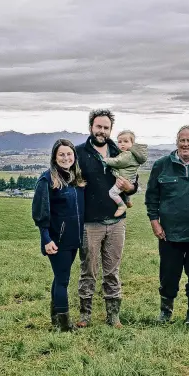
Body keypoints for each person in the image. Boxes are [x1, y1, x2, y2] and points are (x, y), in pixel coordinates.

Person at [145, 124, 189, 325]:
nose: (185, 144)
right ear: (176, 142)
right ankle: (165, 311)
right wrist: (154, 222)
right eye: (182, 140)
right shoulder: (161, 165)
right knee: (168, 276)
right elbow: (152, 197)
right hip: (169, 234)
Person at [75, 109, 138, 328]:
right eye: (98, 127)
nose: (102, 131)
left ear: (111, 130)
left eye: (106, 128)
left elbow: (133, 183)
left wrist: (129, 187)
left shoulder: (119, 150)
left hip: (116, 222)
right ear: (90, 127)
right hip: (89, 222)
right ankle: (85, 315)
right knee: (88, 270)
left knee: (112, 270)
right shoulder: (79, 153)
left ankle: (113, 316)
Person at [32, 139, 86, 332]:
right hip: (57, 240)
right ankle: (64, 325)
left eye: (69, 154)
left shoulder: (75, 179)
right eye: (61, 154)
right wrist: (45, 238)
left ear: (74, 156)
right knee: (63, 280)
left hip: (73, 239)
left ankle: (56, 318)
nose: (66, 158)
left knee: (59, 277)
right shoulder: (47, 180)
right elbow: (41, 212)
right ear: (54, 157)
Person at [103, 130, 148, 217]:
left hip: (125, 178)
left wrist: (106, 160)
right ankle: (127, 201)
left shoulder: (127, 154)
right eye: (120, 142)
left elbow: (118, 162)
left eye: (126, 141)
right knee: (123, 190)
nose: (122, 144)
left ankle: (121, 206)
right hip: (130, 178)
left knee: (112, 193)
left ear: (132, 144)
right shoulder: (129, 154)